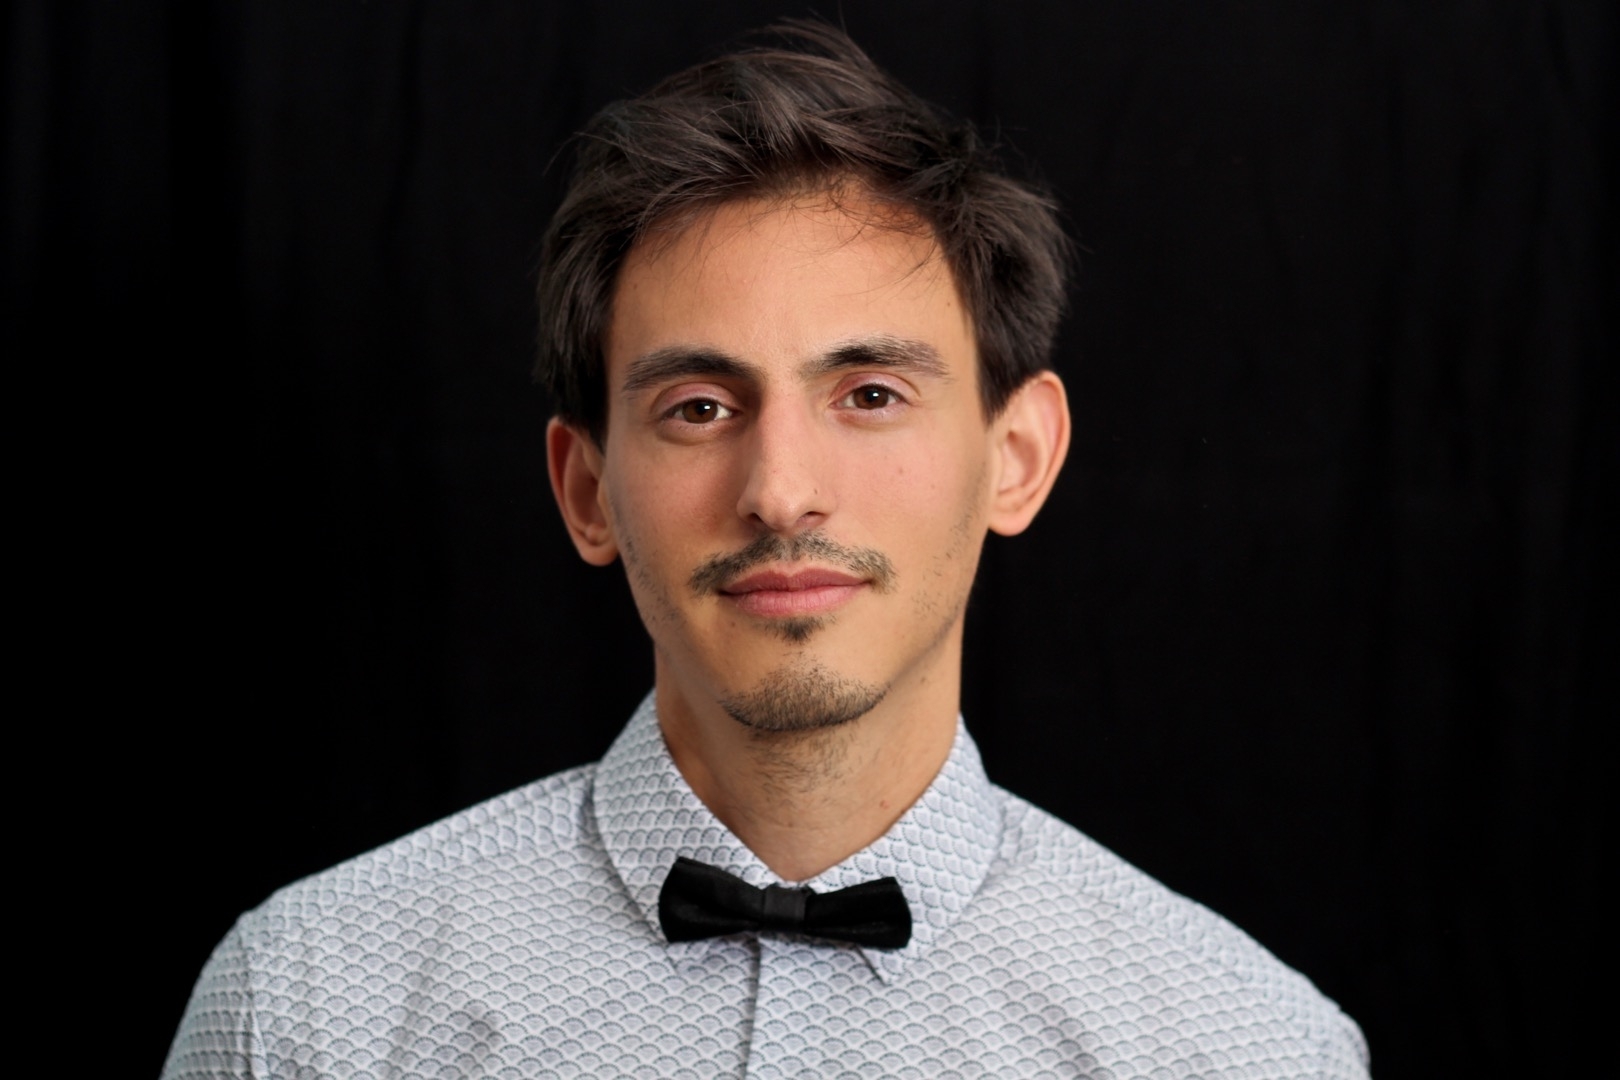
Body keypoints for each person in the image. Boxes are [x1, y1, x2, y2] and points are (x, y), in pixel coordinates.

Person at [165, 23, 1368, 1079]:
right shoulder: (309, 1003)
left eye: (871, 395)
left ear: (1018, 457)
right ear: (586, 491)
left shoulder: (1249, 1050)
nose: (782, 492)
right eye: (699, 407)